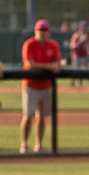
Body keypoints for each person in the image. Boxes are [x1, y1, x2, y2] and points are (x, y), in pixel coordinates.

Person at [20, 19, 62, 154]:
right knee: (28, 115)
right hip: (31, 85)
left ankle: (39, 144)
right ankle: (24, 144)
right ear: (36, 31)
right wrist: (49, 67)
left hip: (46, 86)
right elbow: (30, 65)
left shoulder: (53, 45)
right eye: (40, 30)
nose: (42, 33)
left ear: (48, 32)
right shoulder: (29, 44)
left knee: (43, 117)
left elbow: (58, 64)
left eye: (44, 30)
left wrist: (53, 66)